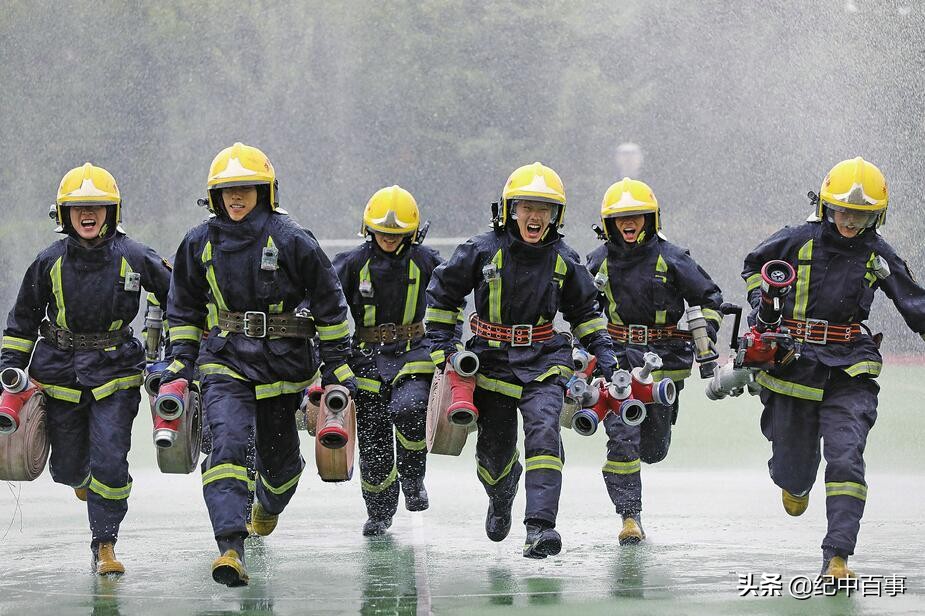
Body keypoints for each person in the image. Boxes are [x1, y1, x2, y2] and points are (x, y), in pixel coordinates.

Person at [162, 142, 356, 586]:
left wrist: (336, 367)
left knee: (282, 468)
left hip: (283, 371)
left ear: (264, 191)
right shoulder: (198, 243)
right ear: (214, 196)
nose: (236, 197)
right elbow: (184, 308)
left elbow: (329, 303)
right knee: (227, 446)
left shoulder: (291, 239)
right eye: (227, 190)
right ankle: (230, 546)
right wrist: (180, 363)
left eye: (245, 188)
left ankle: (265, 508)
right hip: (224, 363)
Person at [742, 157, 925, 579]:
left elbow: (914, 304)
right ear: (825, 207)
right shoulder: (795, 240)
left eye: (861, 214)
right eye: (843, 211)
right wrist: (762, 305)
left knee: (846, 456)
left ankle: (837, 556)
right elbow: (754, 266)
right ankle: (794, 481)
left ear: (876, 216)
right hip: (792, 366)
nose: (850, 221)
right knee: (792, 471)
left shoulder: (879, 254)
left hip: (850, 369)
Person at [426, 162, 617, 559]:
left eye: (544, 209)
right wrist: (443, 348)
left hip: (545, 364)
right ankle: (501, 492)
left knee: (545, 435)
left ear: (555, 216)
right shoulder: (480, 250)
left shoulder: (565, 259)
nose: (535, 215)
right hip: (489, 365)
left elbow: (585, 313)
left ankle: (540, 528)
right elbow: (444, 296)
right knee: (493, 456)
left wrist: (606, 356)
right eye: (527, 206)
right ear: (510, 210)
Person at [0, 162, 171, 574]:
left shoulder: (135, 255)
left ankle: (105, 544)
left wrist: (176, 353)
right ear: (64, 215)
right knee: (69, 468)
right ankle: (82, 484)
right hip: (59, 376)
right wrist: (9, 372)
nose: (87, 214)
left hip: (117, 374)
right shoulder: (48, 262)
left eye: (96, 206)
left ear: (112, 212)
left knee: (111, 460)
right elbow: (22, 320)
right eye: (78, 208)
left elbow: (179, 300)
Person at [586, 177, 724, 544]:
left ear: (651, 218)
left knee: (653, 449)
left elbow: (711, 300)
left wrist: (705, 334)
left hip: (663, 364)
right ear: (609, 223)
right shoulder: (598, 262)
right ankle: (630, 516)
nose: (629, 223)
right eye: (621, 218)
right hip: (616, 363)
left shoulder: (674, 258)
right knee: (622, 434)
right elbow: (581, 309)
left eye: (637, 216)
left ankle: (658, 430)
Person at [333, 185, 446, 536]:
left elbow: (454, 291)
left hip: (414, 352)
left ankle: (413, 478)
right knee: (373, 440)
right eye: (382, 232)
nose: (388, 239)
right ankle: (380, 512)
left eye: (396, 234)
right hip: (365, 359)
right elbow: (325, 295)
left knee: (411, 409)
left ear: (411, 233)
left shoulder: (427, 261)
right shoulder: (352, 263)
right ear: (369, 229)